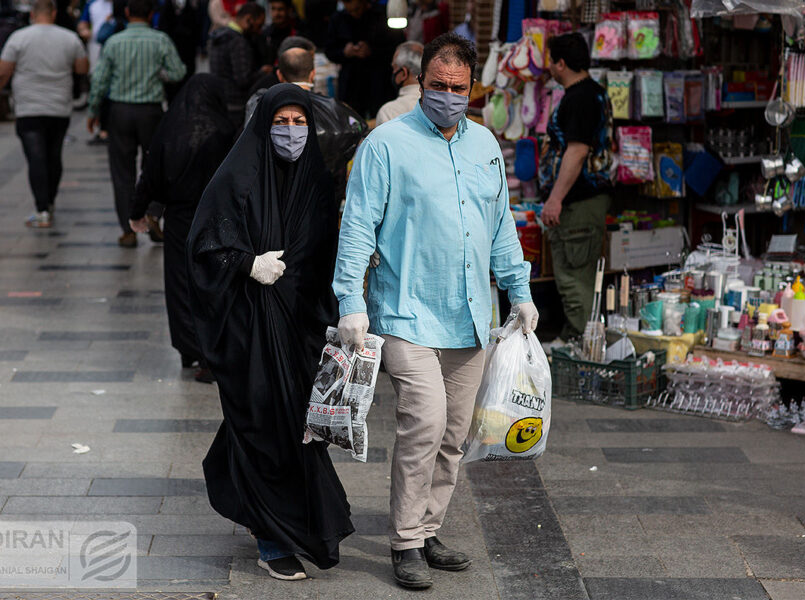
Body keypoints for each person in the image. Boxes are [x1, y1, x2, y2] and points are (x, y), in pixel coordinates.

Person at [333, 33, 538, 590]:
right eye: (438, 86)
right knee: (422, 424)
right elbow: (356, 229)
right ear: (420, 83)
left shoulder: (486, 146)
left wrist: (519, 291)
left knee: (453, 433)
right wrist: (350, 302)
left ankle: (426, 528)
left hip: (471, 318)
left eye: (459, 88)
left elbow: (501, 227)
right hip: (405, 313)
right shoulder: (386, 145)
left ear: (473, 89)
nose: (448, 96)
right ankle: (404, 543)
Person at [186, 84, 353, 582]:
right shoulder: (237, 175)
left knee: (292, 426)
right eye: (282, 121)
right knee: (263, 422)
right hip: (249, 326)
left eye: (301, 122)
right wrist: (246, 262)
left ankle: (270, 514)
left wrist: (338, 312)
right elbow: (204, 243)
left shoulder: (317, 181)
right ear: (264, 125)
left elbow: (327, 254)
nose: (292, 132)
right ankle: (271, 538)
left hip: (303, 325)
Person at [129, 75, 233, 383]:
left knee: (180, 284)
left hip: (180, 219)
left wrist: (140, 212)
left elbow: (150, 175)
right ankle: (211, 353)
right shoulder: (226, 130)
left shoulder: (169, 129)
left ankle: (190, 348)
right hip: (217, 219)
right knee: (213, 284)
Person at [88, 0, 187, 248]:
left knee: (122, 172)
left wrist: (93, 110)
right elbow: (177, 72)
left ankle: (128, 229)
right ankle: (153, 214)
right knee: (156, 167)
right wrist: (158, 74)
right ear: (151, 14)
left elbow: (100, 79)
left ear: (128, 12)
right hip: (151, 112)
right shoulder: (160, 40)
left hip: (119, 111)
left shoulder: (114, 42)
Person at [0, 0, 89, 228]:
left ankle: (42, 209)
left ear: (33, 14)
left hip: (29, 108)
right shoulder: (69, 38)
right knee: (54, 156)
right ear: (53, 13)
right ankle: (49, 202)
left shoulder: (19, 38)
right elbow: (82, 68)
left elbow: (2, 72)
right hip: (59, 107)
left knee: (36, 159)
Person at [538, 32, 613, 342]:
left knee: (573, 280)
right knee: (576, 276)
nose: (548, 67)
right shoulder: (593, 92)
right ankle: (572, 339)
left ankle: (585, 352)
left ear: (562, 63)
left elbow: (577, 151)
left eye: (550, 60)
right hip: (584, 200)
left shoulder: (579, 98)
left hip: (578, 202)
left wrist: (555, 199)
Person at [245, 44, 368, 201]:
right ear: (313, 74)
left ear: (280, 75)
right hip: (324, 205)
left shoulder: (264, 107)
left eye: (298, 122)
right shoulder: (337, 111)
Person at [325, 0, 401, 118]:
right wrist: (344, 52)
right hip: (350, 84)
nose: (354, 13)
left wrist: (372, 51)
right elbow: (329, 50)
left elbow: (396, 47)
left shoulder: (382, 15)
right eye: (350, 10)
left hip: (378, 83)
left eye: (357, 9)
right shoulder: (338, 19)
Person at [209, 3, 270, 126]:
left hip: (220, 100)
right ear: (248, 19)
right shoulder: (239, 42)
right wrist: (263, 72)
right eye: (259, 25)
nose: (259, 31)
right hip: (236, 105)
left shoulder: (219, 36)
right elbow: (243, 80)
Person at [77, 0, 113, 144]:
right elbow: (82, 24)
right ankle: (102, 127)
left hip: (115, 53)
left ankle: (107, 127)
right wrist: (84, 31)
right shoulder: (92, 4)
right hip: (96, 52)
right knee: (99, 87)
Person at [375, 40, 422, 125]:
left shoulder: (389, 111)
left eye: (394, 68)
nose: (393, 72)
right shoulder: (437, 105)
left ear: (404, 73)